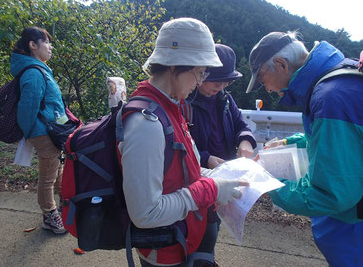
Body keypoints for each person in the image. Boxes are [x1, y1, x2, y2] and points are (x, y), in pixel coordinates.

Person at [118, 18, 249, 267]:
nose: (200, 82)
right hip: (164, 251)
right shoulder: (146, 123)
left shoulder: (169, 107)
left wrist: (215, 177)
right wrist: (210, 189)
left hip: (181, 238)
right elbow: (146, 213)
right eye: (199, 73)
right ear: (175, 66)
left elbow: (180, 167)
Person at [246, 31, 363, 266]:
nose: (266, 89)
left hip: (354, 233)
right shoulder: (340, 76)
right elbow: (347, 140)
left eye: (262, 79)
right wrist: (293, 141)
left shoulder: (329, 97)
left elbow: (332, 196)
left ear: (281, 65)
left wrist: (269, 183)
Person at [184, 44, 257, 265]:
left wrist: (245, 140)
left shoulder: (225, 98)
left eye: (227, 80)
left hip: (222, 175)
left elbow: (239, 124)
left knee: (212, 225)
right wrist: (205, 157)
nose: (221, 85)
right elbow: (181, 140)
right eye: (216, 79)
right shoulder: (186, 100)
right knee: (197, 229)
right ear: (201, 72)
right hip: (196, 176)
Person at [11, 27, 67, 234]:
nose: (50, 47)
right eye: (46, 42)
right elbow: (27, 108)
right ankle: (49, 216)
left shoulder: (39, 69)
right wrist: (31, 131)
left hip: (51, 130)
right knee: (48, 176)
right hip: (44, 132)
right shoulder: (34, 72)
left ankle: (64, 207)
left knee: (57, 169)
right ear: (33, 45)